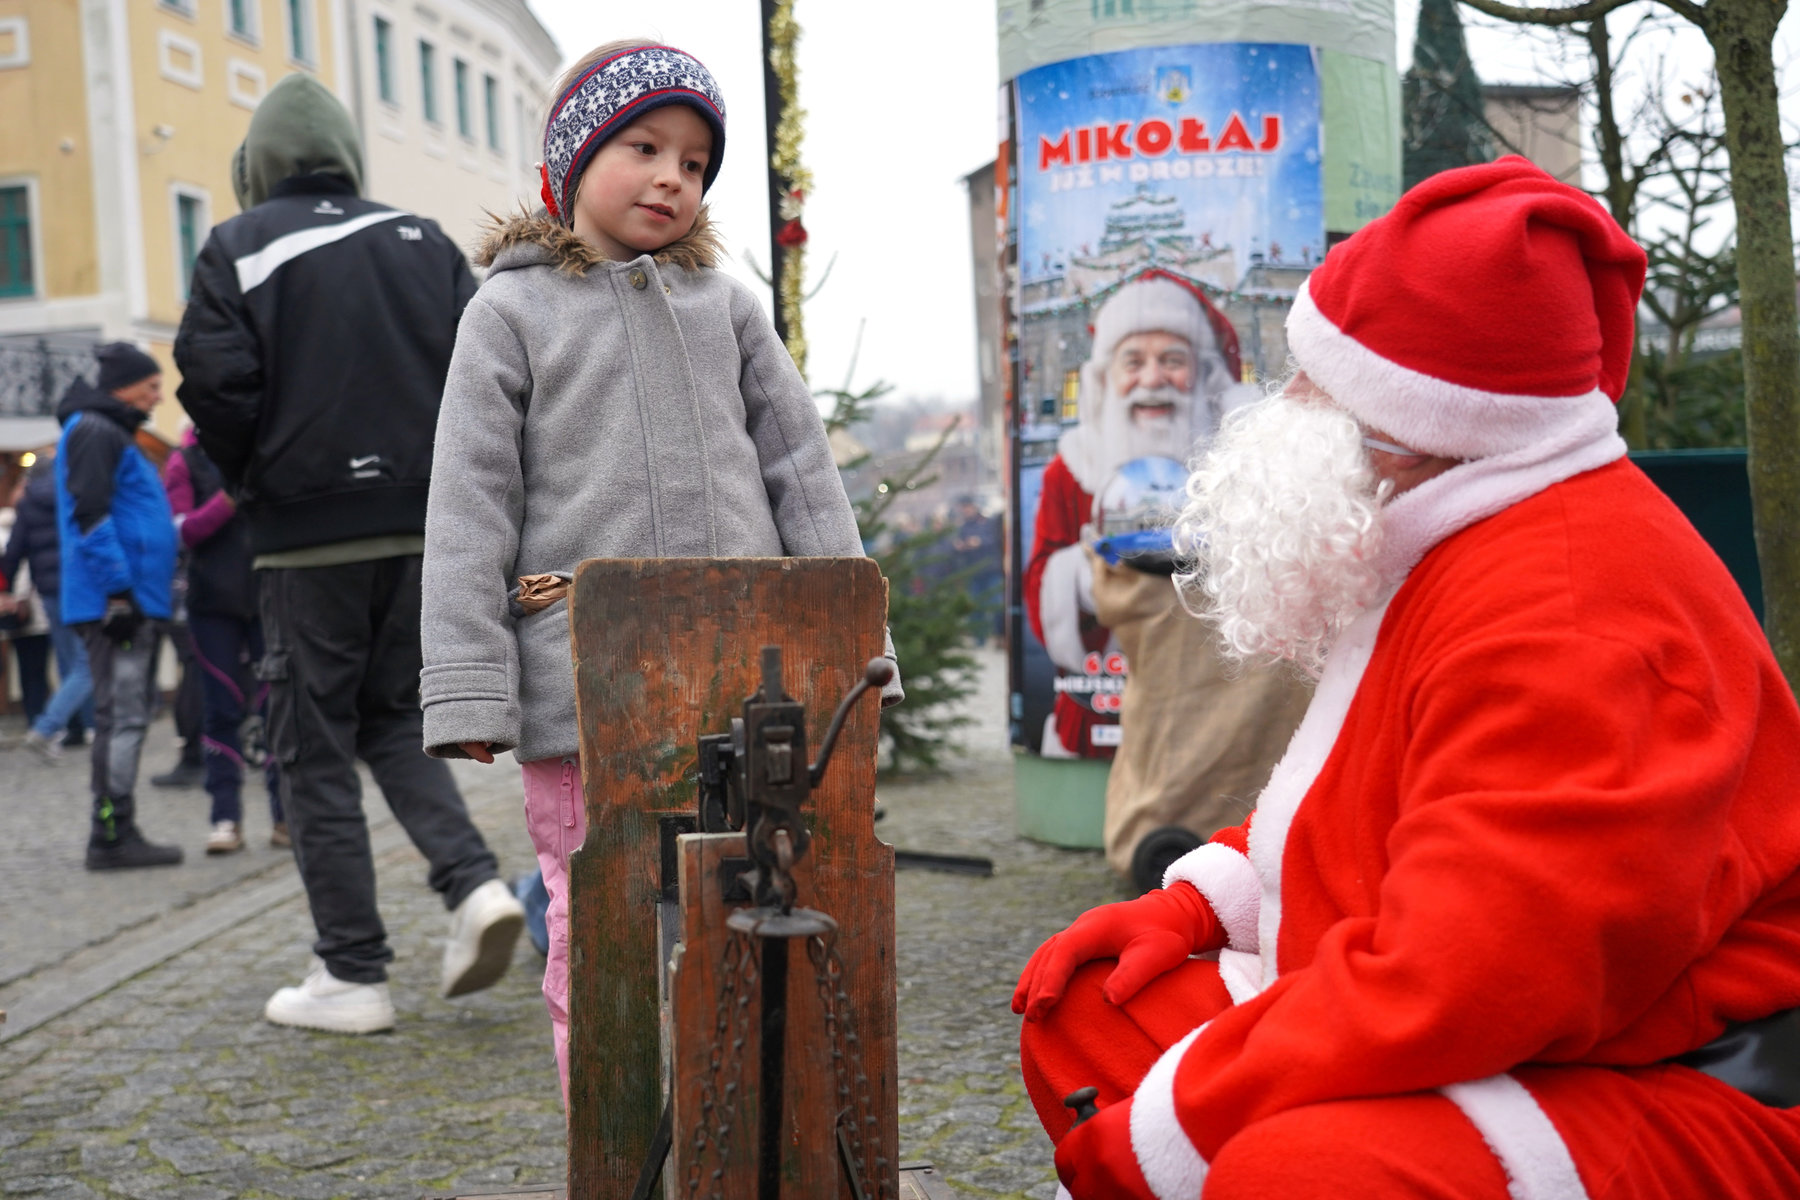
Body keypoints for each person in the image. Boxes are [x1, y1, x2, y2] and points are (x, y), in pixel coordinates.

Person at [1011, 157, 1800, 1199]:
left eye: (1318, 385)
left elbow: (1469, 982)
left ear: (1418, 425)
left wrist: (1177, 1125)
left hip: (1674, 1074)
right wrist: (1204, 904)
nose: (1286, 405)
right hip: (1501, 1013)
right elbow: (1377, 803)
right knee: (1090, 1011)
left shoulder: (1569, 619)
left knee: (1299, 1177)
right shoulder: (1455, 531)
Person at [419, 38, 902, 1106]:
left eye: (694, 162)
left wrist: (859, 653)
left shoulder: (725, 307)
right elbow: (468, 508)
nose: (671, 177)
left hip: (750, 688)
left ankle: (740, 1139)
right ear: (572, 157)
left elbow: (803, 477)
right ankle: (615, 1139)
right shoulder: (507, 314)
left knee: (756, 907)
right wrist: (467, 688)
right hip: (583, 694)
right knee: (601, 927)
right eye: (643, 147)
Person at [173, 73, 523, 1035]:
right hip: (420, 530)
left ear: (257, 168)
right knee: (394, 721)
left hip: (307, 541)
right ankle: (475, 888)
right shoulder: (420, 239)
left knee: (311, 751)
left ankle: (351, 972)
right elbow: (484, 377)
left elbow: (213, 384)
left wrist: (259, 485)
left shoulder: (238, 245)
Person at [1024, 271, 1260, 761]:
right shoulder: (1071, 470)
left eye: (1172, 360)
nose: (1152, 379)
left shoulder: (1242, 466)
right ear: (1107, 378)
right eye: (1134, 362)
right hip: (1102, 707)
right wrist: (1080, 577)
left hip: (1215, 711)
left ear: (1202, 374)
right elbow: (1040, 581)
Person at [53, 343, 183, 870]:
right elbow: (90, 514)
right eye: (151, 386)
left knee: (126, 715)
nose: (158, 397)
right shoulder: (95, 429)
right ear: (123, 387)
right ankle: (111, 835)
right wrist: (119, 593)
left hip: (128, 599)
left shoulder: (107, 429)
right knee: (123, 717)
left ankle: (115, 829)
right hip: (116, 605)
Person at [164, 430, 285, 854]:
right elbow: (181, 532)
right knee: (220, 710)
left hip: (267, 597)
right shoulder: (186, 460)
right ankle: (225, 819)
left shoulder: (266, 445)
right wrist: (227, 501)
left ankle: (285, 816)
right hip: (212, 603)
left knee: (277, 708)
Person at [4, 455, 92, 760]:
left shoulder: (28, 504)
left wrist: (5, 588)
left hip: (50, 592)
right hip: (81, 587)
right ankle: (49, 726)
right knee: (87, 663)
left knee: (69, 661)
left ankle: (76, 728)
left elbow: (14, 551)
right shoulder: (75, 495)